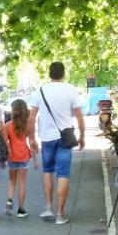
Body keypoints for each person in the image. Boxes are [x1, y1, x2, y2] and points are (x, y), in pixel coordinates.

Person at [27, 61, 86, 225]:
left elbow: (31, 118)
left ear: (49, 74)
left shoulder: (40, 91)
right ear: (63, 73)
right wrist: (82, 136)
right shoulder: (70, 90)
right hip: (65, 138)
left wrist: (31, 138)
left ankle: (48, 207)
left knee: (48, 171)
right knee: (63, 173)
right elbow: (80, 117)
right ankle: (60, 214)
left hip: (47, 138)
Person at [1, 98, 36, 218]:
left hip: (12, 156)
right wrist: (35, 159)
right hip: (24, 156)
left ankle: (9, 200)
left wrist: (3, 159)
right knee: (22, 182)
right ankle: (21, 210)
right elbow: (32, 142)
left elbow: (4, 142)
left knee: (12, 181)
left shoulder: (7, 126)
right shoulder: (28, 125)